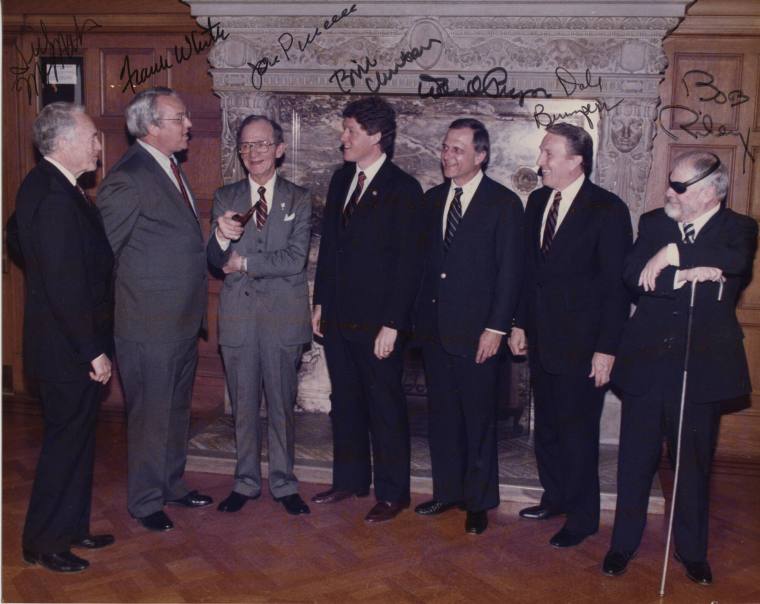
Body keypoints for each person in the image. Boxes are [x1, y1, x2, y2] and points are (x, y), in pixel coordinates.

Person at [602, 151, 758, 585]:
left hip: (700, 368)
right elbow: (633, 276)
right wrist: (689, 272)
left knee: (692, 464)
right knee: (634, 461)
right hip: (647, 364)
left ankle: (692, 551)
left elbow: (736, 265)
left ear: (709, 192)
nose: (668, 192)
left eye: (680, 187)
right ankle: (622, 545)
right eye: (670, 183)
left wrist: (673, 253)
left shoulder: (740, 228)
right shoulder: (654, 221)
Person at [509, 122, 632, 547]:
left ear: (576, 161)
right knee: (547, 427)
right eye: (542, 152)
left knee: (578, 432)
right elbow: (530, 273)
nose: (539, 161)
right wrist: (520, 323)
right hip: (542, 339)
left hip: (584, 345)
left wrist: (606, 350)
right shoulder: (538, 202)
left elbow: (616, 288)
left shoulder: (608, 209)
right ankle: (555, 497)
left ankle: (582, 519)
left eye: (548, 153)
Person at [98, 87, 212, 532]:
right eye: (179, 118)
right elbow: (104, 257)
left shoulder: (167, 167)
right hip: (147, 325)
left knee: (174, 410)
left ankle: (171, 485)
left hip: (180, 321)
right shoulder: (128, 178)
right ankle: (145, 502)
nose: (189, 125)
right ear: (150, 127)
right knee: (149, 415)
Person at [10, 102, 115, 572]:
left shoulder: (49, 185)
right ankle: (44, 543)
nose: (98, 144)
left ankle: (71, 528)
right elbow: (64, 283)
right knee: (63, 445)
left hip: (62, 345)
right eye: (92, 135)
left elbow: (15, 237)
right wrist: (91, 350)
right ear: (66, 142)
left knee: (77, 441)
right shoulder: (53, 195)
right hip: (67, 351)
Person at [311, 96, 424, 522]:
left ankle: (394, 493)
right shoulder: (342, 179)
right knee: (346, 401)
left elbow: (408, 265)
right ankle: (350, 480)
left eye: (351, 131)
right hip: (339, 317)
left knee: (385, 407)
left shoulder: (403, 189)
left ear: (376, 137)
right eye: (344, 130)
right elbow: (330, 251)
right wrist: (320, 301)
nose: (343, 138)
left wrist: (393, 324)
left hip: (379, 325)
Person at [414, 118, 524, 534]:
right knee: (441, 416)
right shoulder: (432, 200)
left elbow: (511, 272)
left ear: (481, 155)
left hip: (479, 333)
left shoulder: (503, 203)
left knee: (478, 418)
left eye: (457, 149)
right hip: (435, 331)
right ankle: (448, 491)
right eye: (444, 148)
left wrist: (497, 328)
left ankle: (478, 501)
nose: (447, 156)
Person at [207, 115, 312, 516]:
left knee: (282, 406)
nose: (254, 153)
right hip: (239, 319)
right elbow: (216, 261)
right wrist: (219, 238)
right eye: (247, 146)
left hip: (283, 319)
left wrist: (245, 261)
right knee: (243, 405)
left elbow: (294, 259)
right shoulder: (226, 196)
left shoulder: (299, 198)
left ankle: (284, 484)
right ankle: (245, 482)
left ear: (280, 149)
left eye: (263, 144)